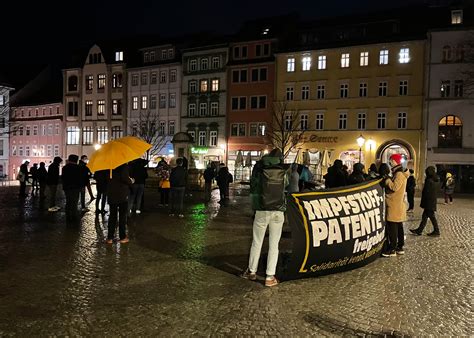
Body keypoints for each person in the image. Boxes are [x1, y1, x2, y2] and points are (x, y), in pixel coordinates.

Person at [241, 148, 288, 287]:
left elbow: (253, 188)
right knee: (274, 244)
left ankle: (252, 272)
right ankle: (269, 277)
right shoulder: (282, 169)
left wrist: (255, 205)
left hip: (262, 210)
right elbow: (287, 186)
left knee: (257, 242)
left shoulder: (260, 168)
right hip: (278, 210)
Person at [382, 154, 410, 257]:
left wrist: (387, 180)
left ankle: (392, 249)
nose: (390, 162)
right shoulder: (399, 172)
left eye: (391, 160)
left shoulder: (399, 174)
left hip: (395, 204)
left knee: (393, 227)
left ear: (395, 161)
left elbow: (394, 187)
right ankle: (399, 247)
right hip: (397, 204)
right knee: (398, 226)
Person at [106, 164, 134, 244]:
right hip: (122, 194)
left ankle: (110, 238)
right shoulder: (123, 165)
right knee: (122, 216)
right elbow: (124, 177)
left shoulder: (108, 166)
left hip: (111, 193)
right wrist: (131, 182)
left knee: (112, 216)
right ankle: (122, 237)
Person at [410, 166, 440, 237]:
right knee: (425, 217)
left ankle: (436, 231)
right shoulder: (436, 179)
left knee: (431, 217)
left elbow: (426, 192)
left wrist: (424, 203)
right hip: (432, 201)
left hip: (428, 202)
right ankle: (419, 230)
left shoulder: (429, 180)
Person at [62, 155, 82, 222]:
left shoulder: (65, 168)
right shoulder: (78, 168)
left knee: (68, 201)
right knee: (74, 202)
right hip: (76, 187)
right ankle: (74, 216)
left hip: (67, 187)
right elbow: (80, 179)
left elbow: (63, 178)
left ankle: (68, 216)